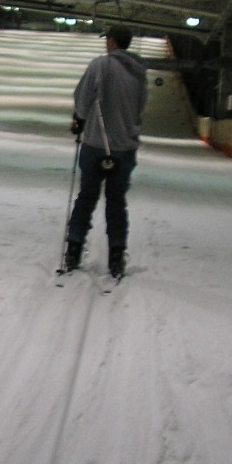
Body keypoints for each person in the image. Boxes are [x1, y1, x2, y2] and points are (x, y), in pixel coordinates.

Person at [64, 24, 148, 278]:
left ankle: (74, 249)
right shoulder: (140, 73)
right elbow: (141, 106)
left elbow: (82, 97)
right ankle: (116, 255)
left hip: (95, 143)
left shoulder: (100, 65)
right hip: (124, 147)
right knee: (116, 201)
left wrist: (79, 118)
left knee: (87, 196)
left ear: (112, 41)